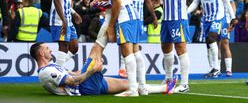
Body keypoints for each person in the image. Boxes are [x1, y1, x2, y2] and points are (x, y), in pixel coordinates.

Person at [141, 0, 214, 93]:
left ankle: (185, 83)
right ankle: (169, 79)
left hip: (178, 18)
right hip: (166, 19)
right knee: (166, 48)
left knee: (180, 48)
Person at [95, 0, 170, 97]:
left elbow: (117, 2)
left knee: (127, 53)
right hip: (135, 15)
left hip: (124, 17)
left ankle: (133, 89)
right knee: (136, 53)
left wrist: (110, 26)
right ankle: (142, 87)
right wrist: (102, 1)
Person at [29, 42, 177, 96]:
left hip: (87, 84)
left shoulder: (50, 67)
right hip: (84, 87)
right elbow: (73, 82)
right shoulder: (46, 72)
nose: (51, 51)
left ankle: (165, 88)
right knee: (96, 48)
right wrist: (92, 70)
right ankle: (108, 13)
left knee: (128, 84)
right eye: (47, 49)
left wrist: (88, 69)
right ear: (41, 53)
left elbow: (74, 74)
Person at [187, 0, 236, 78]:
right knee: (209, 44)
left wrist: (232, 18)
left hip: (219, 17)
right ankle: (213, 68)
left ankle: (221, 69)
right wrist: (186, 12)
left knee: (214, 40)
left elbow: (228, 3)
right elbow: (195, 2)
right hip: (206, 19)